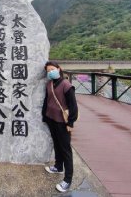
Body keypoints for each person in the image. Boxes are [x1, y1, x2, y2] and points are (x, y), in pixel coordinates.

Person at [42, 61, 78, 193]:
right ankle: (58, 166)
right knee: (57, 144)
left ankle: (67, 180)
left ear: (58, 69)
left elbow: (73, 106)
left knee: (65, 149)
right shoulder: (49, 84)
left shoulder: (66, 85)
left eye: (52, 69)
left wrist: (71, 123)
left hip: (63, 122)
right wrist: (44, 116)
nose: (50, 72)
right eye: (48, 70)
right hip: (51, 119)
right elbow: (47, 101)